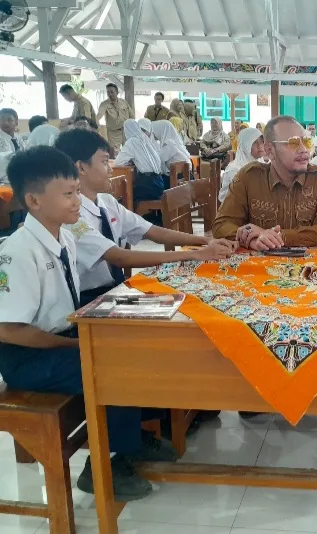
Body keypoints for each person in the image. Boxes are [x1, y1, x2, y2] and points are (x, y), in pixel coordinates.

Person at [0, 146, 178, 501]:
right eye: (68, 194)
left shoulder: (64, 235)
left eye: (77, 191)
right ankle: (104, 466)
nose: (77, 201)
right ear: (34, 201)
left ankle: (134, 437)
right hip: (27, 358)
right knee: (111, 364)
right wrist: (75, 344)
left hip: (62, 335)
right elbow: (8, 329)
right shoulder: (18, 252)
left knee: (141, 341)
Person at [54, 129, 236, 305]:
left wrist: (205, 241)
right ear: (81, 167)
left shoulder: (106, 202)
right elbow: (119, 257)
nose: (110, 169)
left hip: (116, 290)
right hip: (91, 299)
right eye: (104, 162)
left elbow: (152, 231)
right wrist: (194, 254)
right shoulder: (72, 217)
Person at [212, 115, 317, 248]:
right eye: (293, 143)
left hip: (311, 260)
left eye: (307, 142)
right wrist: (252, 239)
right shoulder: (249, 178)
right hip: (260, 260)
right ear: (270, 150)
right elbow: (221, 225)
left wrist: (277, 236)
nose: (303, 149)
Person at [114, 120, 165, 200]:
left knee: (126, 196)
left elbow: (117, 162)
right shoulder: (145, 138)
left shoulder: (132, 141)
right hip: (159, 181)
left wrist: (128, 162)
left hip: (148, 184)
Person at [219, 127, 263, 202]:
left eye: (262, 142)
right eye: (255, 142)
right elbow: (235, 198)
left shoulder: (262, 164)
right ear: (245, 145)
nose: (260, 146)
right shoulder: (235, 169)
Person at [97, 83, 135, 152]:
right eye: (108, 92)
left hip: (125, 131)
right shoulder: (104, 104)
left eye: (112, 92)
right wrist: (95, 125)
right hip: (113, 133)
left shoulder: (123, 102)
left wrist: (132, 128)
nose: (110, 94)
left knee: (129, 151)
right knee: (114, 152)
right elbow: (99, 115)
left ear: (117, 92)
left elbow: (132, 115)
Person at [0, 108, 26, 185]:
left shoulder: (18, 138)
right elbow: (9, 159)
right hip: (5, 178)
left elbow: (25, 153)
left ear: (16, 122)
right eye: (2, 119)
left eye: (9, 120)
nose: (5, 122)